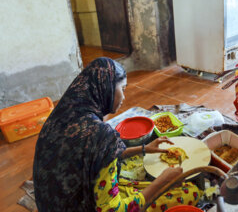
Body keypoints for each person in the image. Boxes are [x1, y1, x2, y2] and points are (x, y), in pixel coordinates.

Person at [33, 57, 201, 212]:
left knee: (130, 167)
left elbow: (95, 158)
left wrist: (144, 149)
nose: (124, 97)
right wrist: (162, 181)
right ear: (105, 88)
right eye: (122, 88)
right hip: (85, 206)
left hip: (58, 202)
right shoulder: (101, 134)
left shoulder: (60, 116)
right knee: (189, 192)